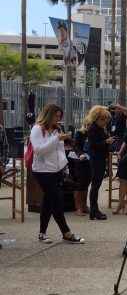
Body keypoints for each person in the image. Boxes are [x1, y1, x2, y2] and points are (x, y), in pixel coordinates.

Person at [30, 104, 85, 244]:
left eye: (59, 117)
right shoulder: (37, 129)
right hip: (42, 170)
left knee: (48, 201)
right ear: (48, 115)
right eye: (56, 116)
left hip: (56, 169)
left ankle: (42, 233)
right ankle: (66, 232)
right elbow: (39, 150)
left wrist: (64, 167)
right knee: (56, 198)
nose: (58, 119)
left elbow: (59, 151)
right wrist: (56, 140)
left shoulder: (56, 130)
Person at [86, 105, 116, 220]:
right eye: (104, 121)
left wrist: (108, 143)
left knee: (96, 185)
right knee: (95, 185)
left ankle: (94, 209)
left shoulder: (98, 128)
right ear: (99, 119)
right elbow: (93, 146)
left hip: (99, 158)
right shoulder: (93, 129)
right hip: (96, 159)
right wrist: (106, 142)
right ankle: (94, 209)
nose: (105, 124)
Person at [71, 118, 92, 216]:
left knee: (86, 182)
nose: (89, 127)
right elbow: (75, 146)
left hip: (90, 160)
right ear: (84, 124)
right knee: (80, 182)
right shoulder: (80, 133)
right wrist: (80, 154)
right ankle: (78, 207)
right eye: (88, 125)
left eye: (91, 125)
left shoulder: (92, 133)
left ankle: (84, 205)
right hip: (81, 160)